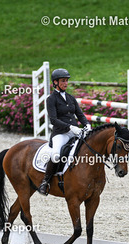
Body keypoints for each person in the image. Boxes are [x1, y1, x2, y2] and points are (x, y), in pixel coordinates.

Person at [38, 68, 91, 196]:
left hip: (75, 131)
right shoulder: (51, 99)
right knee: (56, 155)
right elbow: (53, 120)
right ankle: (46, 182)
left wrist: (87, 124)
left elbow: (80, 114)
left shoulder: (71, 98)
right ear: (55, 82)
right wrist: (70, 127)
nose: (66, 83)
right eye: (63, 81)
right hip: (60, 133)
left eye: (66, 81)